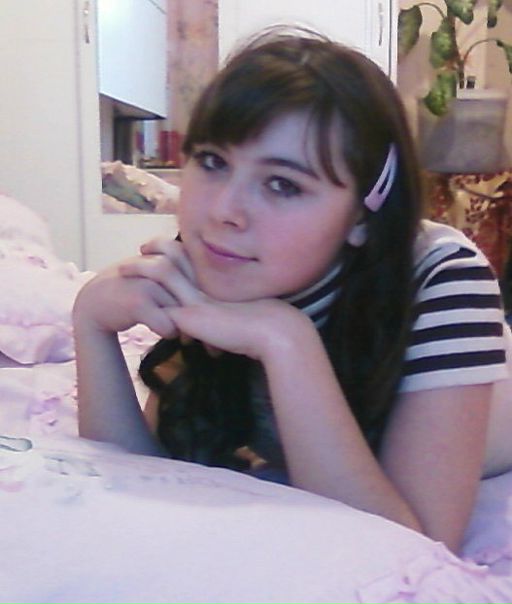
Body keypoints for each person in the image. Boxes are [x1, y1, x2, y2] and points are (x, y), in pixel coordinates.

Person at [73, 26, 512, 553]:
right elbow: (139, 482)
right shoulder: (213, 262)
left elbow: (415, 549)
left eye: (283, 184)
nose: (223, 212)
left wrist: (287, 342)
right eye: (213, 162)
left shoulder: (442, 277)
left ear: (362, 217)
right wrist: (90, 326)